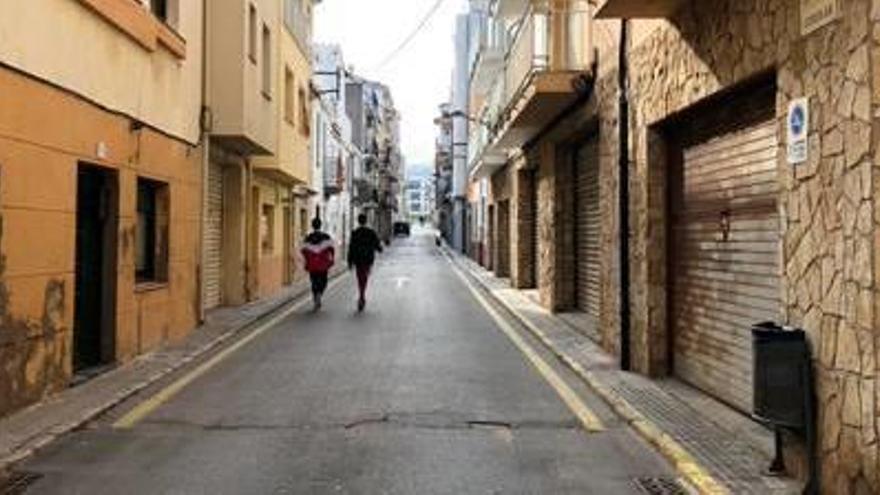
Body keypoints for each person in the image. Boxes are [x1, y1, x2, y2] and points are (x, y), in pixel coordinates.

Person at [347, 214, 383, 312]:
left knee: (360, 277)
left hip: (358, 259)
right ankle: (362, 295)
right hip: (368, 260)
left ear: (358, 221)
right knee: (365, 277)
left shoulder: (355, 233)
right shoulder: (371, 232)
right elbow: (377, 244)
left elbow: (351, 248)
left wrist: (349, 261)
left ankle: (361, 295)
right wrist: (380, 249)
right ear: (366, 221)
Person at [301, 218, 335, 310]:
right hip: (323, 265)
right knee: (324, 281)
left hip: (312, 265)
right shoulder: (326, 237)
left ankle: (316, 296)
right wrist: (332, 259)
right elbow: (332, 249)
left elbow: (303, 250)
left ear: (312, 226)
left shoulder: (308, 238)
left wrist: (307, 259)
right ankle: (319, 294)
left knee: (314, 281)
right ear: (321, 225)